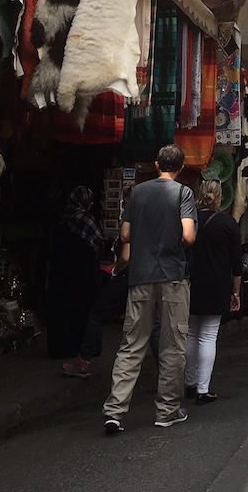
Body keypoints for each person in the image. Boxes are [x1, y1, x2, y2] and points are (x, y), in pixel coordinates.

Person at [102, 145, 197, 433]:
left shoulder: (139, 192)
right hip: (172, 277)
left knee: (132, 344)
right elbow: (189, 236)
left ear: (156, 164)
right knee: (172, 344)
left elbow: (126, 234)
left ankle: (115, 411)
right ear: (180, 168)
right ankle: (166, 411)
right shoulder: (184, 193)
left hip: (140, 276)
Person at [62, 185, 132, 379]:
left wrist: (115, 272)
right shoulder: (149, 221)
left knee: (96, 314)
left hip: (127, 276)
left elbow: (126, 257)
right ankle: (169, 370)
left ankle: (84, 361)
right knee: (146, 324)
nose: (123, 205)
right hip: (143, 277)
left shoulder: (131, 221)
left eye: (125, 201)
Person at [184, 180, 242, 405]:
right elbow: (237, 263)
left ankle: (189, 383)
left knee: (190, 333)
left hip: (191, 283)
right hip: (217, 285)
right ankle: (203, 388)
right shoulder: (228, 223)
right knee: (208, 335)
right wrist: (236, 292)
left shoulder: (191, 220)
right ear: (220, 197)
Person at [47, 186, 104, 360]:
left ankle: (61, 348)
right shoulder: (87, 221)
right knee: (84, 312)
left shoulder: (62, 221)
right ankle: (83, 348)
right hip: (83, 278)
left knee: (63, 312)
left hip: (62, 277)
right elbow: (98, 243)